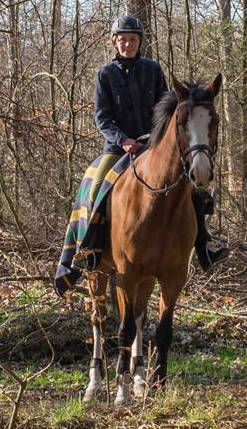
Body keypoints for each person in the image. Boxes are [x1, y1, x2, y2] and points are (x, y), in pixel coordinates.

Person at [93, 15, 229, 269]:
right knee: (96, 184)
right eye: (122, 40)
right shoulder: (105, 75)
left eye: (132, 39)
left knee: (193, 190)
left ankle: (204, 247)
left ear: (139, 42)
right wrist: (123, 140)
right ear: (115, 42)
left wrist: (154, 140)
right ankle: (88, 247)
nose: (128, 44)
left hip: (152, 147)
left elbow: (165, 110)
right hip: (117, 148)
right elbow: (102, 117)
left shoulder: (153, 70)